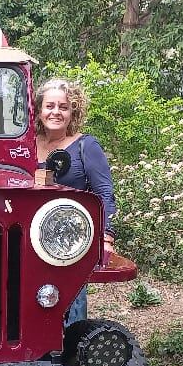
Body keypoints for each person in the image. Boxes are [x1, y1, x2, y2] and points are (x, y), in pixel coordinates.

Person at [34, 78, 117, 327]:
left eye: (63, 107)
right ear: (39, 109)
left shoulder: (85, 146)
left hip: (68, 243)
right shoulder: (25, 144)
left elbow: (105, 192)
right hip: (28, 239)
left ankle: (70, 356)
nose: (56, 112)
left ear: (73, 112)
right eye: (50, 106)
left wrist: (107, 237)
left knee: (69, 304)